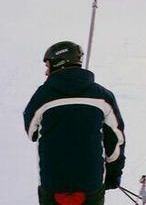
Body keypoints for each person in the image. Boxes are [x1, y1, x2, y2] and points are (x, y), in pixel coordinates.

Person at [24, 40, 126, 205]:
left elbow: (31, 132)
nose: (46, 71)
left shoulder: (42, 97)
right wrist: (114, 173)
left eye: (47, 65)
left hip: (53, 182)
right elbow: (115, 140)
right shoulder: (103, 96)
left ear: (58, 63)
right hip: (90, 183)